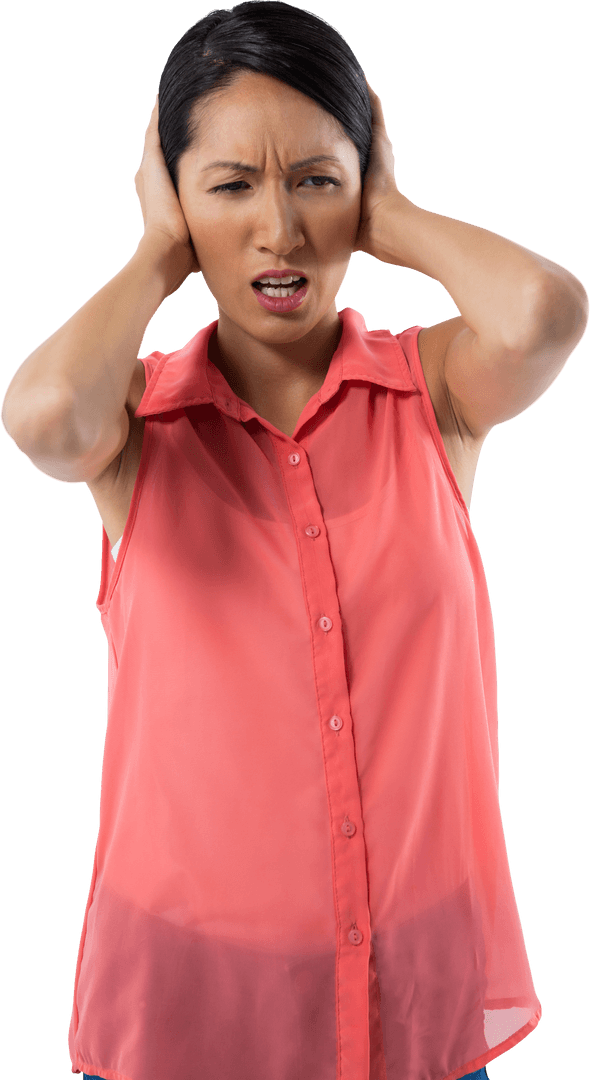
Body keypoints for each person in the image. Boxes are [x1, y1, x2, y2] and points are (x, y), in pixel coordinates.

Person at [2, 2, 587, 1079]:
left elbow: (543, 312)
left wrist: (391, 210)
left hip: (410, 970)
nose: (279, 230)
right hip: (192, 980)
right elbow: (39, 418)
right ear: (178, 202)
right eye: (231, 186)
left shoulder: (435, 392)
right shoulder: (134, 424)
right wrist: (155, 256)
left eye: (314, 180)